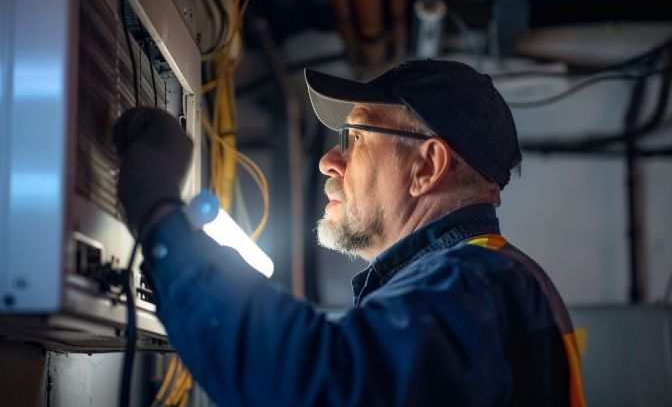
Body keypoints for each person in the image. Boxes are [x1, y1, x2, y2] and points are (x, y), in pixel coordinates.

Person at [114, 60, 586, 406]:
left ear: (426, 166)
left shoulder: (474, 284)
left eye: (355, 139)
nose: (328, 161)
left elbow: (318, 384)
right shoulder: (489, 282)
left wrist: (160, 215)